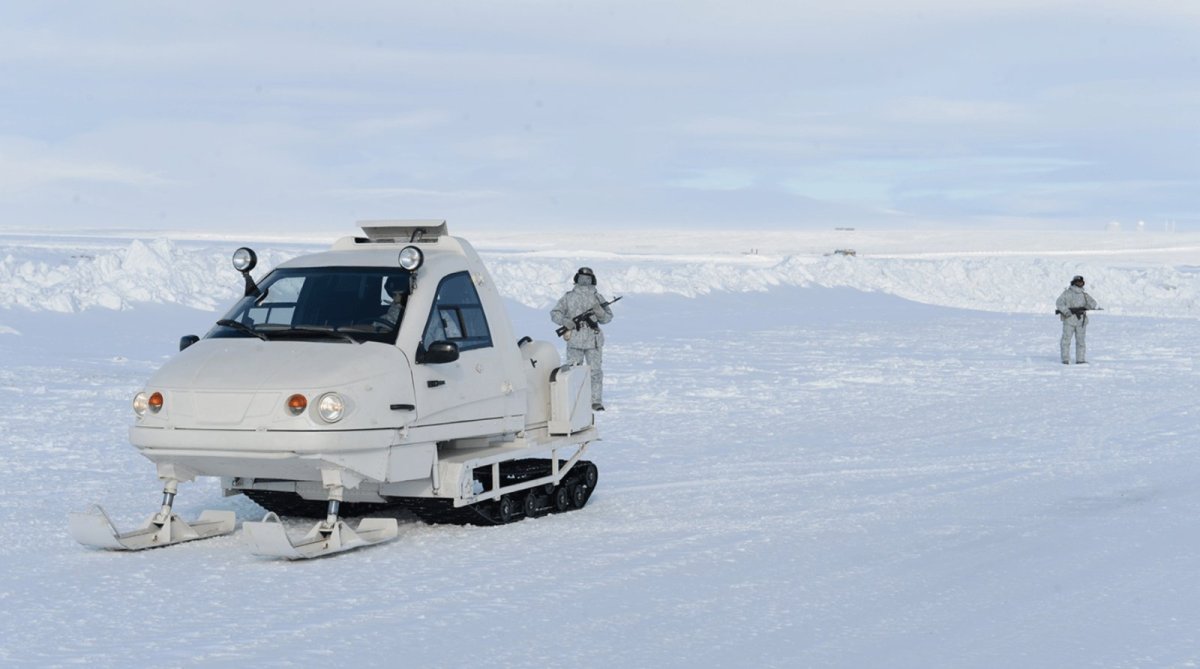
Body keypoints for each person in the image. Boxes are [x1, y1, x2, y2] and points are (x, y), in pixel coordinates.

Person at [551, 267, 614, 411]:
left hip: (593, 339)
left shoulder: (597, 297)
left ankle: (595, 400)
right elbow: (554, 313)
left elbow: (607, 318)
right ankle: (574, 400)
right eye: (582, 278)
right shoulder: (569, 297)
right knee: (573, 371)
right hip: (575, 339)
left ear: (592, 279)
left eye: (588, 278)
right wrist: (565, 321)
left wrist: (600, 312)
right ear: (577, 279)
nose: (585, 281)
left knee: (595, 371)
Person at [1055, 275, 1099, 364]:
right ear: (1074, 282)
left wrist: (1087, 307)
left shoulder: (1084, 294)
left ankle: (1080, 359)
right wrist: (1066, 311)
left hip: (1081, 321)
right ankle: (1065, 359)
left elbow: (1093, 303)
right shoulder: (1067, 293)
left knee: (1081, 341)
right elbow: (1059, 303)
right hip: (1069, 320)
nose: (1080, 283)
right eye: (1078, 282)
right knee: (1066, 340)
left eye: (1081, 282)